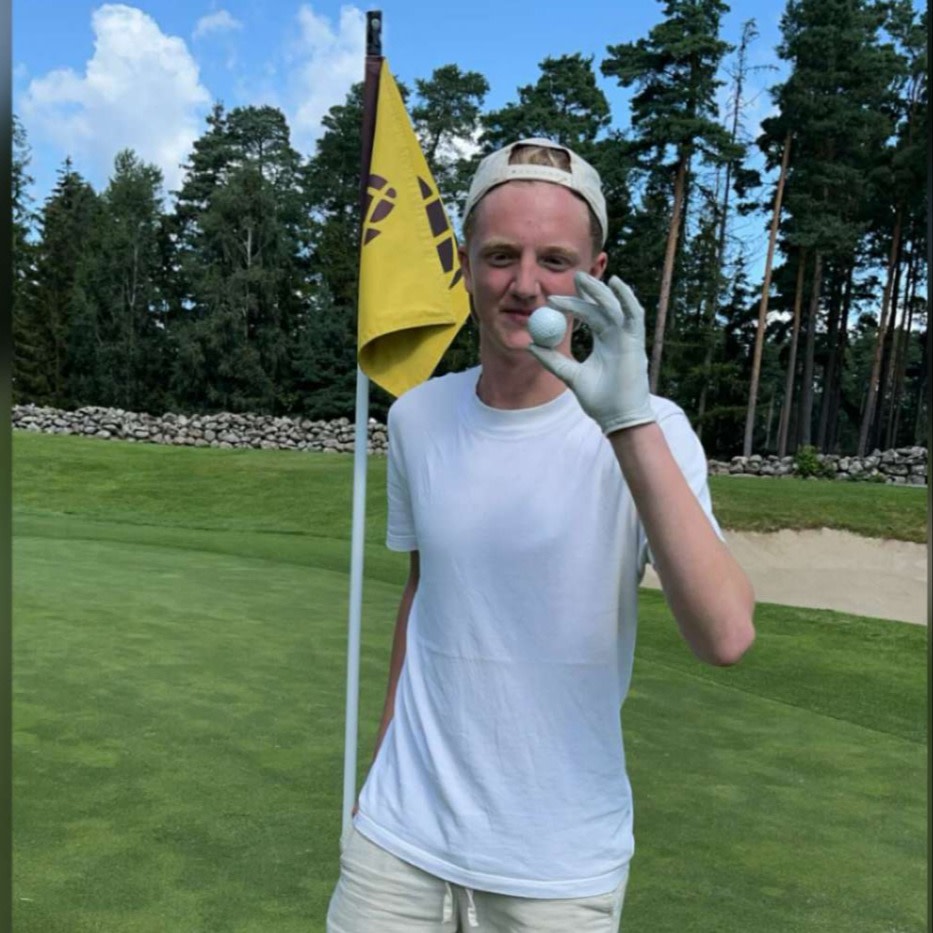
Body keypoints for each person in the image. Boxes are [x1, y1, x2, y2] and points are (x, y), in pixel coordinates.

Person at [326, 137, 755, 932]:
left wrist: (625, 422)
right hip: (398, 843)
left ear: (595, 269)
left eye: (554, 259)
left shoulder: (655, 428)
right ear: (464, 263)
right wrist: (380, 769)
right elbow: (425, 592)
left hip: (556, 868)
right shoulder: (417, 416)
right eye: (500, 255)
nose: (525, 284)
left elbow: (724, 634)